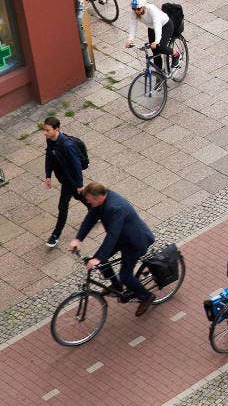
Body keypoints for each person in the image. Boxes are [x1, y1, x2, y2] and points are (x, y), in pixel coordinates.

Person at [69, 183, 157, 316]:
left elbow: (113, 234)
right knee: (100, 262)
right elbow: (90, 218)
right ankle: (117, 286)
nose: (87, 201)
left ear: (98, 197)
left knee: (125, 275)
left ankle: (146, 296)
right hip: (122, 238)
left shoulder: (115, 207)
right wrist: (78, 239)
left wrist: (99, 258)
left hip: (134, 242)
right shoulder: (100, 202)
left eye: (89, 199)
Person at [43, 116, 85, 249]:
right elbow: (49, 157)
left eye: (48, 130)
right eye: (44, 130)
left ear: (56, 129)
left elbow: (77, 165)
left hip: (70, 181)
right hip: (64, 179)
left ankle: (55, 235)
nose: (45, 133)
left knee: (62, 206)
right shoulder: (50, 140)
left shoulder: (67, 145)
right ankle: (97, 209)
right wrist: (48, 175)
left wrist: (79, 184)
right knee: (80, 197)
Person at [126, 0, 175, 75]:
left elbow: (157, 24)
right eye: (134, 9)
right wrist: (130, 39)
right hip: (152, 28)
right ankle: (159, 75)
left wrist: (157, 41)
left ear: (144, 6)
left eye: (138, 9)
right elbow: (133, 25)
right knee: (155, 52)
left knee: (161, 47)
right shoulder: (134, 12)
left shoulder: (151, 9)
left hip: (165, 25)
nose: (136, 11)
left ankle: (176, 54)